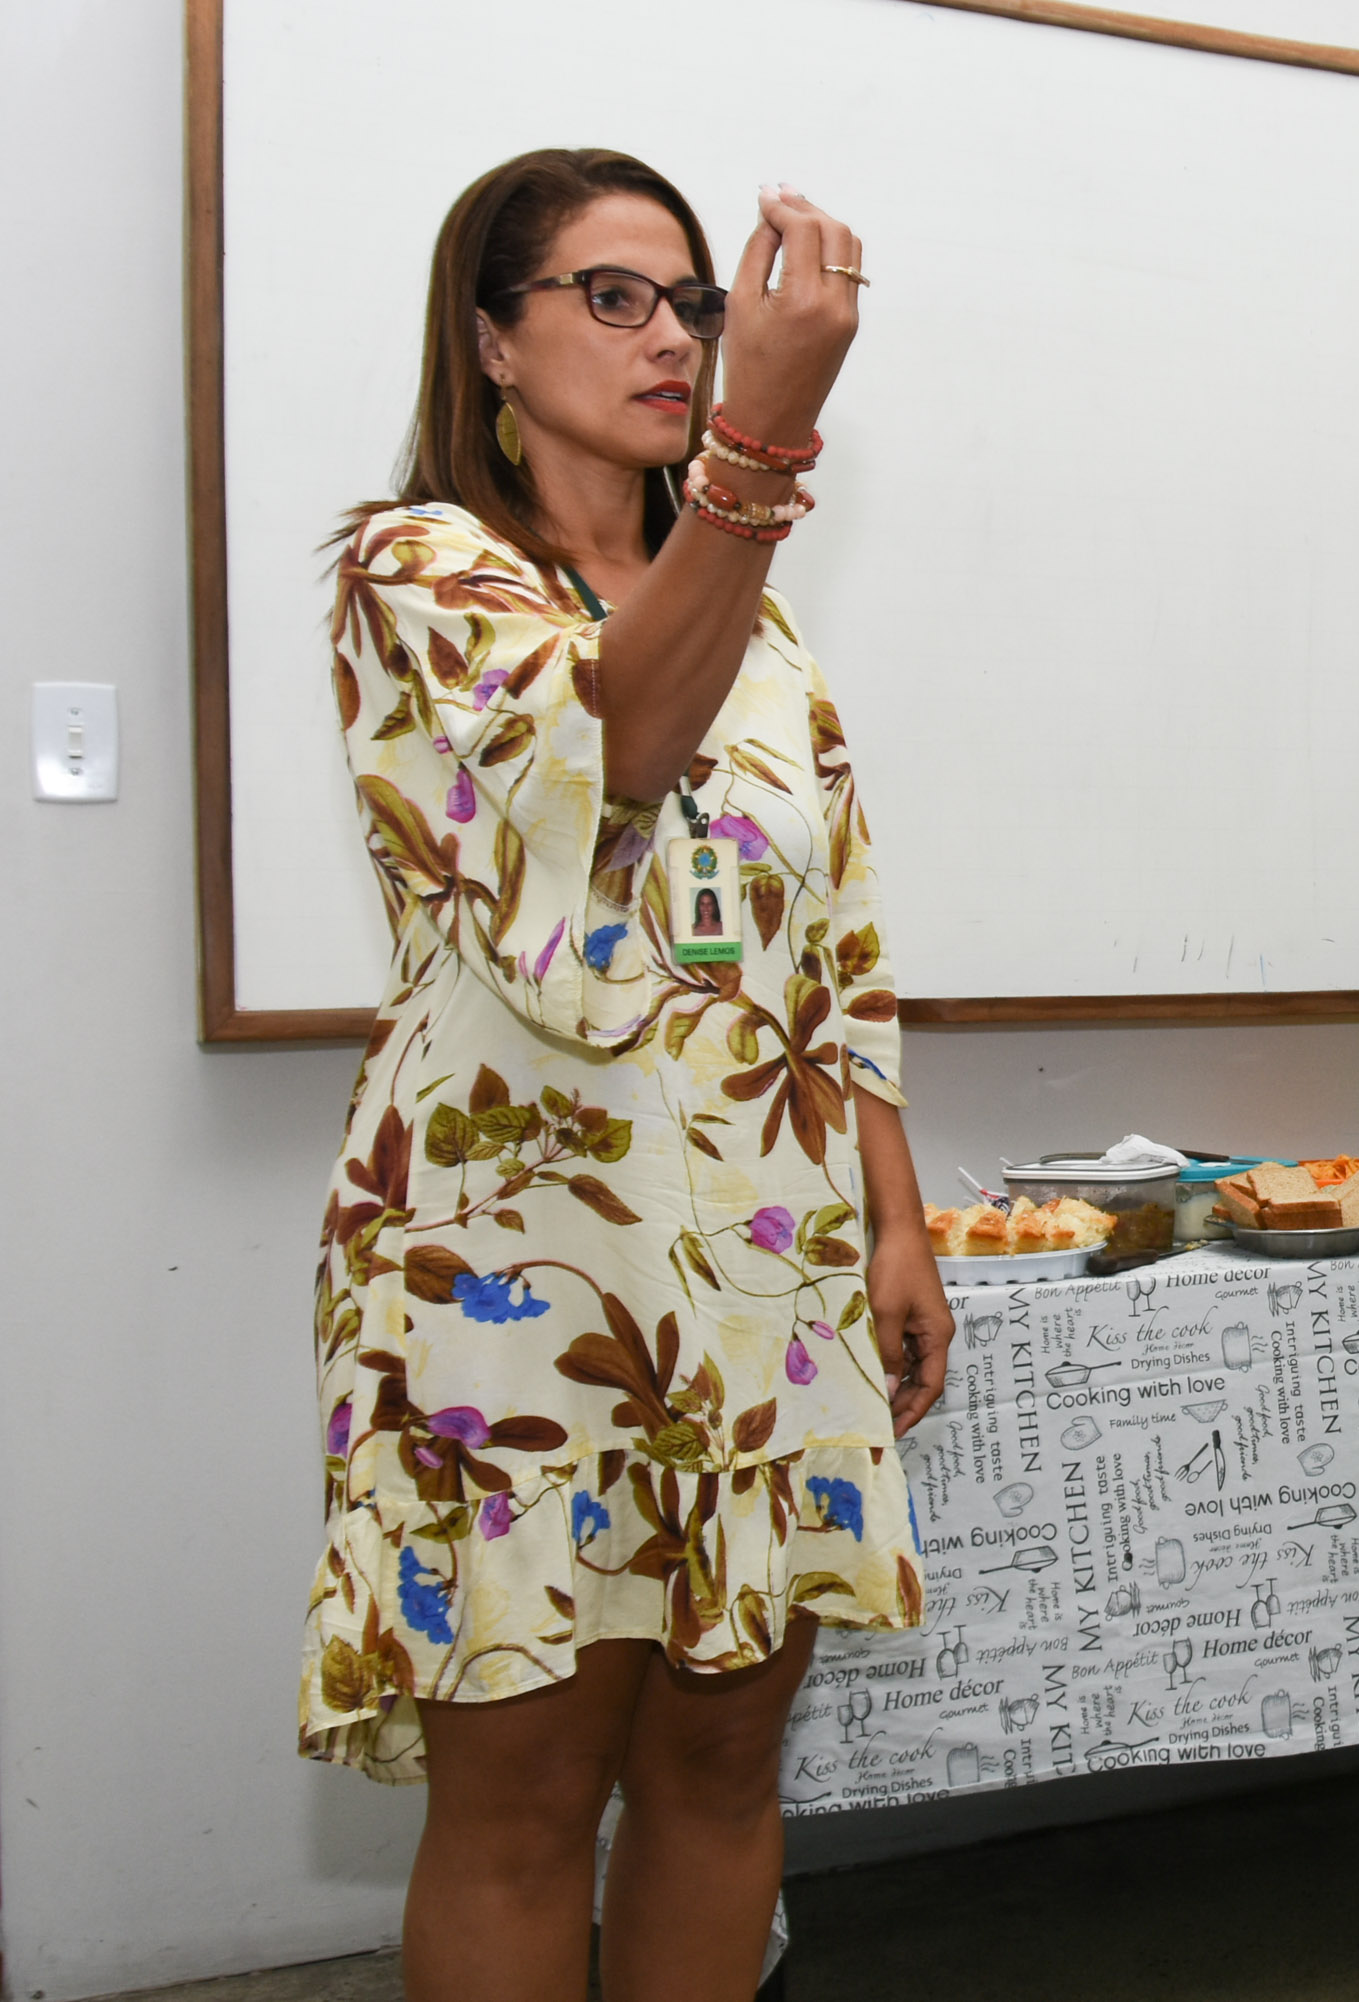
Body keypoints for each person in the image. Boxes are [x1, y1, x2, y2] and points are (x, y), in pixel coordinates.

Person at [302, 149, 949, 2000]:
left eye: (693, 302)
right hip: (512, 1268)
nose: (672, 335)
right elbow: (617, 747)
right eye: (612, 297)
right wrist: (760, 448)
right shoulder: (418, 569)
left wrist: (896, 1217)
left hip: (760, 1260)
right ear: (492, 342)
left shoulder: (760, 625)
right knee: (523, 1793)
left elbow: (836, 944)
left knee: (723, 1757)